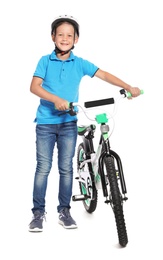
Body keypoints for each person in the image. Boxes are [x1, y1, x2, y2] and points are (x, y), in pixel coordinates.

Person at [28, 14, 141, 232]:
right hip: (46, 123)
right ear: (53, 37)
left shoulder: (80, 64)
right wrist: (57, 100)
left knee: (66, 169)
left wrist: (128, 87)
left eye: (69, 35)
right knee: (43, 168)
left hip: (69, 122)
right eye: (60, 34)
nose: (64, 38)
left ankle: (64, 211)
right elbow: (34, 87)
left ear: (76, 39)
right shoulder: (45, 61)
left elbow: (104, 74)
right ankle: (38, 213)